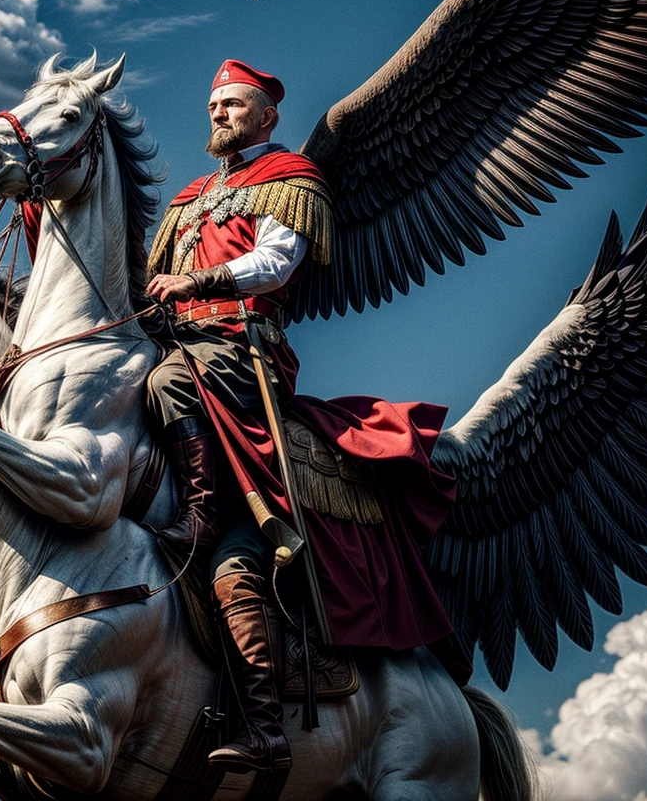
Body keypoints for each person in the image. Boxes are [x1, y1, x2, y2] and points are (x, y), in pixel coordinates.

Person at [145, 60, 466, 775]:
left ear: (265, 117)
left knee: (171, 382)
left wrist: (195, 281)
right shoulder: (191, 197)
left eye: (232, 104)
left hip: (240, 349)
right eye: (213, 104)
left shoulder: (290, 176)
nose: (218, 114)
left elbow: (275, 264)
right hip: (181, 338)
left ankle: (203, 515)